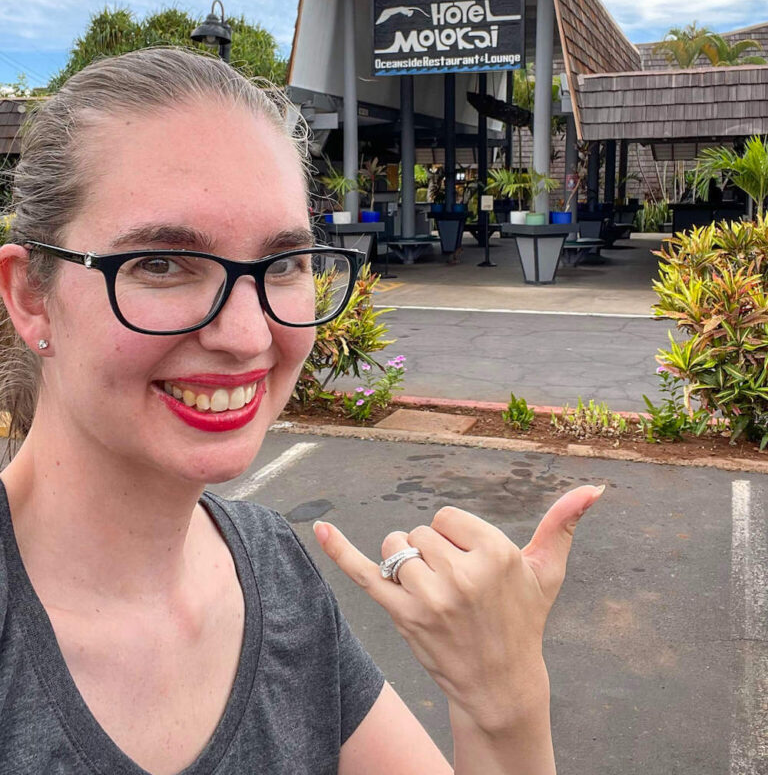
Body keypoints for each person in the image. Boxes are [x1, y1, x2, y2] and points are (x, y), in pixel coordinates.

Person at [0, 47, 604, 775]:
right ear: (31, 296)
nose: (250, 336)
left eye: (284, 263)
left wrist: (502, 702)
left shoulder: (272, 569)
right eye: (161, 263)